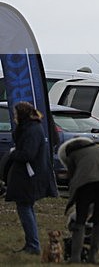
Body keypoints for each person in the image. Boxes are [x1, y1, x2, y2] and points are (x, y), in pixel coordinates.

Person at [4, 101, 57, 256]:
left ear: (21, 115)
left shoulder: (32, 130)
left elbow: (28, 154)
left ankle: (33, 244)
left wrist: (12, 153)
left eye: (15, 114)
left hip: (30, 176)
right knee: (26, 207)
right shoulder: (30, 128)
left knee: (25, 207)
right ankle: (31, 243)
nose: (14, 117)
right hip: (28, 175)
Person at [58, 136, 99, 263]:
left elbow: (72, 176)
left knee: (80, 221)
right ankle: (93, 257)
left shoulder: (72, 154)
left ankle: (75, 258)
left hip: (85, 186)